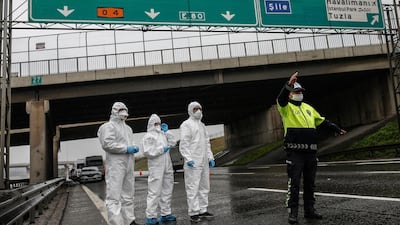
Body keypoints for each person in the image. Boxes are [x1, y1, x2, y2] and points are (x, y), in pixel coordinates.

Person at [276, 72, 347, 224]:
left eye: (301, 91)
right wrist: (289, 84)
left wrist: (336, 129)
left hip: (310, 151)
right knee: (294, 183)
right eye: (296, 92)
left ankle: (310, 210)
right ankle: (293, 212)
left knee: (310, 183)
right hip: (295, 152)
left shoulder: (308, 108)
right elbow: (280, 98)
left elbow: (321, 121)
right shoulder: (285, 108)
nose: (299, 94)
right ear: (290, 95)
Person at [97, 102, 141, 225]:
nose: (124, 114)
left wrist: (132, 148)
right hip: (115, 165)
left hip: (128, 164)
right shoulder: (108, 127)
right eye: (121, 111)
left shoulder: (128, 129)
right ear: (115, 111)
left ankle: (129, 220)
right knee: (114, 196)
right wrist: (126, 148)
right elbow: (107, 144)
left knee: (128, 194)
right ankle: (116, 223)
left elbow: (127, 143)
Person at [179, 101, 216, 222]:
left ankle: (203, 209)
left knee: (205, 186)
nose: (198, 111)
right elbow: (184, 143)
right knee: (192, 187)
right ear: (190, 110)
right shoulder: (186, 124)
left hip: (204, 160)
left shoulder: (202, 125)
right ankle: (194, 212)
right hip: (193, 161)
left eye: (200, 108)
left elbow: (207, 143)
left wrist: (210, 157)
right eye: (195, 109)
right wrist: (188, 158)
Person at [142, 114, 178, 225]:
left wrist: (167, 132)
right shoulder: (148, 136)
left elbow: (173, 143)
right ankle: (151, 216)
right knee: (154, 191)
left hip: (167, 165)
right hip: (156, 166)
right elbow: (148, 152)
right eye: (155, 123)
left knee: (167, 189)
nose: (158, 125)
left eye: (159, 123)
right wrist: (161, 149)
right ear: (151, 124)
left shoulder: (163, 135)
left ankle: (166, 214)